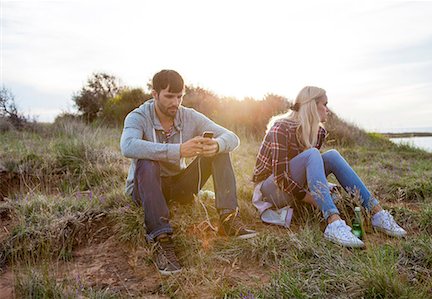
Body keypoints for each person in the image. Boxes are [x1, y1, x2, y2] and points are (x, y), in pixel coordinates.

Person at [120, 70, 257, 275]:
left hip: (178, 187)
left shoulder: (189, 115)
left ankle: (228, 220)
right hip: (145, 190)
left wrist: (217, 145)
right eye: (169, 96)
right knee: (147, 162)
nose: (175, 102)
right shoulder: (138, 116)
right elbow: (128, 146)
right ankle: (161, 239)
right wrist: (178, 150)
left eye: (179, 96)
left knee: (219, 152)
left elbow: (232, 137)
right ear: (154, 94)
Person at [252, 86, 406, 248]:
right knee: (312, 153)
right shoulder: (281, 128)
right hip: (270, 191)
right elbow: (280, 178)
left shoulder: (318, 132)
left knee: (331, 155)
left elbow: (311, 170)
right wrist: (314, 199)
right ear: (312, 106)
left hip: (294, 189)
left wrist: (322, 190)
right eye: (324, 104)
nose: (328, 110)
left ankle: (377, 213)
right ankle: (333, 222)